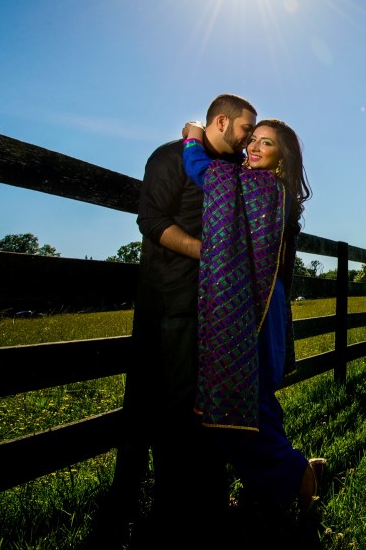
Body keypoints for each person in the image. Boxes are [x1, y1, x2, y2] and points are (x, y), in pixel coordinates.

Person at [124, 94, 258, 533]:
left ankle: (208, 501)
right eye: (244, 130)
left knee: (210, 406)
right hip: (173, 302)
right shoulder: (169, 157)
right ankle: (167, 507)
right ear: (221, 121)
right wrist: (211, 253)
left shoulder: (233, 172)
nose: (248, 140)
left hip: (218, 311)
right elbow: (152, 220)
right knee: (172, 405)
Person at [182, 118, 325, 513]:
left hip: (254, 306)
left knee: (241, 400)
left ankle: (295, 473)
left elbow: (207, 174)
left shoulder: (261, 186)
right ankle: (283, 476)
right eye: (253, 141)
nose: (254, 149)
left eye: (266, 144)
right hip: (266, 301)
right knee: (258, 394)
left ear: (282, 158)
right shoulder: (277, 193)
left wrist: (194, 141)